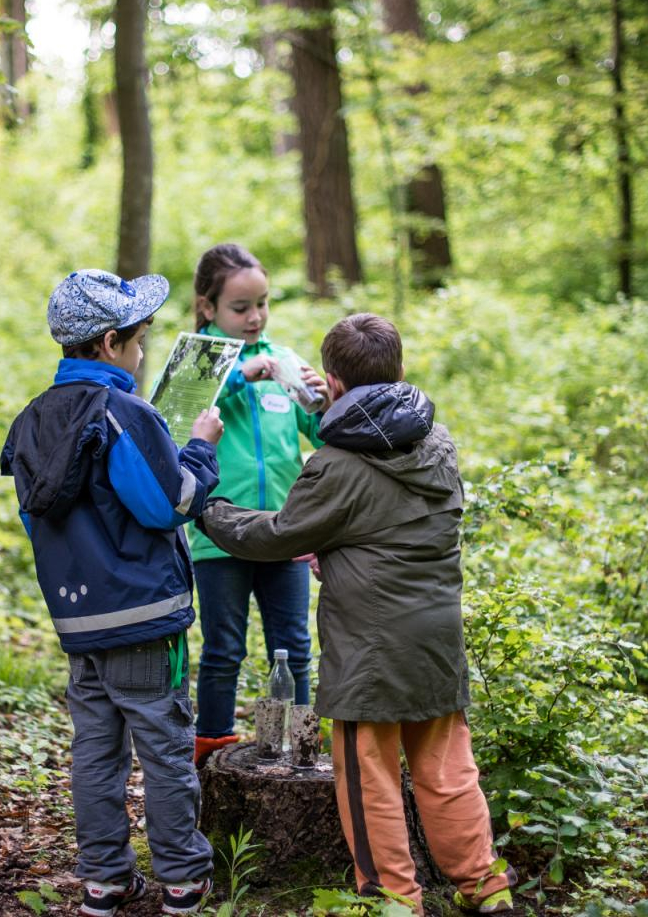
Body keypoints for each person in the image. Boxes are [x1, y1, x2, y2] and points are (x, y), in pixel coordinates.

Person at [197, 314, 517, 914]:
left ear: (334, 384)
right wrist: (343, 548)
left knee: (368, 784)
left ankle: (395, 901)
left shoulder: (334, 465)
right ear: (397, 372)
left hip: (368, 651)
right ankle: (486, 890)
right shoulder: (438, 441)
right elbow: (396, 526)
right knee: (449, 773)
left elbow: (279, 535)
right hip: (437, 638)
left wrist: (211, 512)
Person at [0, 269, 223, 917]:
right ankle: (182, 877)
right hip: (146, 619)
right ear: (108, 343)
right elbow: (168, 502)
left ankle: (104, 878)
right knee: (163, 747)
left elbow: (36, 518)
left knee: (95, 751)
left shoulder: (31, 422)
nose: (143, 350)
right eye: (140, 339)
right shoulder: (124, 412)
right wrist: (200, 451)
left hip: (80, 623)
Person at [185, 243, 329, 764]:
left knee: (293, 646)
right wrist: (239, 377)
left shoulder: (285, 359)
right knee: (223, 650)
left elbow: (319, 431)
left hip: (284, 528)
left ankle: (300, 751)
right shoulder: (199, 361)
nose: (254, 317)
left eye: (262, 304)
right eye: (240, 308)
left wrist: (325, 398)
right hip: (218, 530)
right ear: (209, 308)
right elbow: (180, 418)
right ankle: (210, 756)